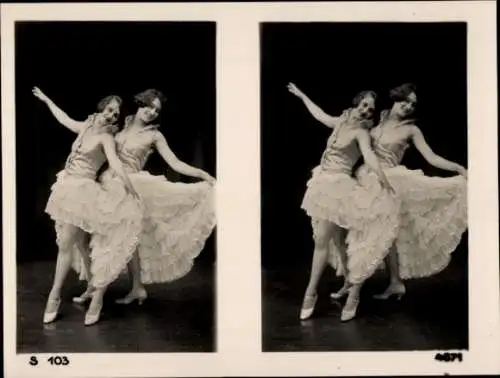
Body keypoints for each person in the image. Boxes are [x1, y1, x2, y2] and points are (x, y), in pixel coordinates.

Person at [73, 89, 216, 325]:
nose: (152, 112)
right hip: (107, 183)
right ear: (140, 104)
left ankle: (98, 296)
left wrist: (202, 174)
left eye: (157, 110)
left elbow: (175, 163)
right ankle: (137, 287)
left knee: (114, 237)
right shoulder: (122, 124)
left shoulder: (155, 136)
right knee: (129, 237)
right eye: (149, 106)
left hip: (132, 186)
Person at [344, 83, 467, 301]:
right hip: (366, 179)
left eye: (412, 104)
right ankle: (395, 283)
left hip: (391, 180)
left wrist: (458, 168)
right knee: (384, 231)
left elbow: (431, 157)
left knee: (379, 230)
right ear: (394, 99)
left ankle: (355, 292)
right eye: (405, 101)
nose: (408, 106)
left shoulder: (411, 129)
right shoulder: (375, 120)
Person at [287, 82, 399, 322]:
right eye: (364, 105)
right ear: (356, 103)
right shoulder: (340, 121)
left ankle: (321, 293)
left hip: (338, 187)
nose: (367, 110)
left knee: (333, 241)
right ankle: (336, 285)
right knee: (332, 240)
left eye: (371, 109)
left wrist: (383, 179)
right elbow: (319, 115)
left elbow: (368, 156)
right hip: (322, 183)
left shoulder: (361, 132)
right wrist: (302, 94)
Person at [33, 87, 142, 326]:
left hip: (83, 191)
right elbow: (64, 119)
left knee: (76, 244)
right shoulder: (86, 126)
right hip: (67, 186)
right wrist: (47, 99)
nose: (112, 115)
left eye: (116, 114)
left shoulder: (107, 138)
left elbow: (115, 163)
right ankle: (78, 290)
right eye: (110, 109)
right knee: (75, 244)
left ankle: (64, 296)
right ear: (101, 108)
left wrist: (131, 188)